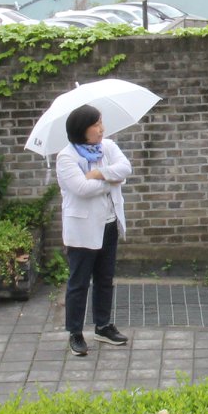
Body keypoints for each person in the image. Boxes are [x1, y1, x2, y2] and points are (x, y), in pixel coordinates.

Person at [56, 103, 132, 355]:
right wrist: (111, 180)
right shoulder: (66, 156)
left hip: (108, 223)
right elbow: (81, 189)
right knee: (79, 282)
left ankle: (103, 325)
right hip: (82, 228)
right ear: (82, 129)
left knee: (105, 278)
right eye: (97, 124)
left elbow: (125, 168)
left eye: (101, 123)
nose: (102, 129)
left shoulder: (107, 147)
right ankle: (75, 332)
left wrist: (98, 173)